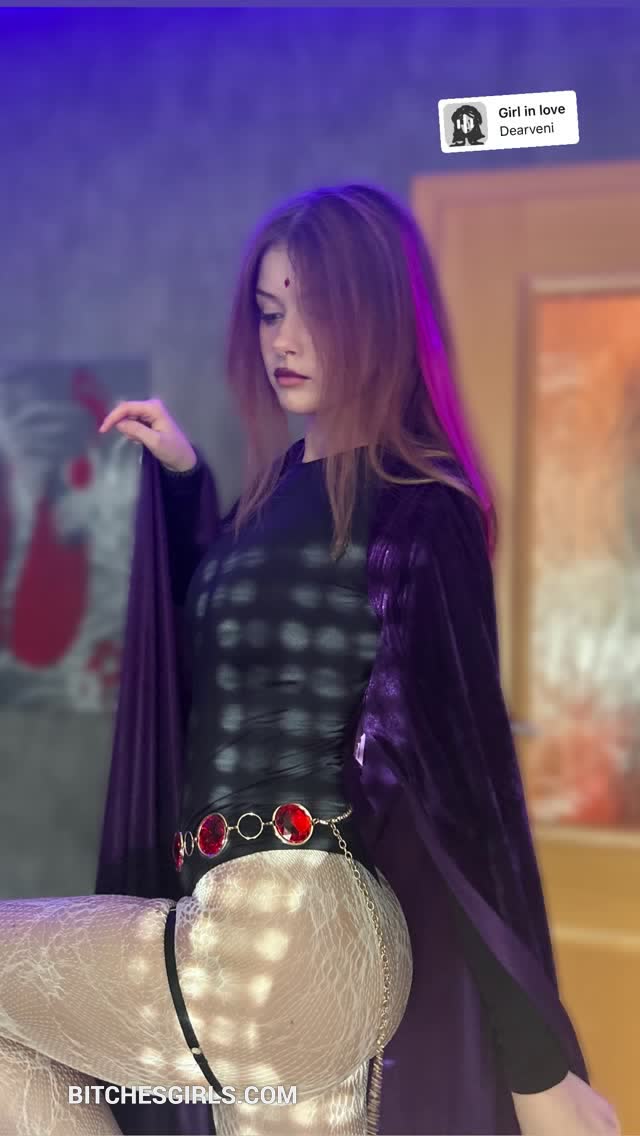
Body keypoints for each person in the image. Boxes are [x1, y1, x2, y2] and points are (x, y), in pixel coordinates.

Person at [0, 183, 620, 1136]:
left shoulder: (421, 508)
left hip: (291, 931)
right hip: (265, 940)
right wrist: (183, 486)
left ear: (377, 317)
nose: (282, 341)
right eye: (268, 312)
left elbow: (465, 776)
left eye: (312, 312)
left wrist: (537, 1072)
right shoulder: (275, 496)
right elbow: (227, 658)